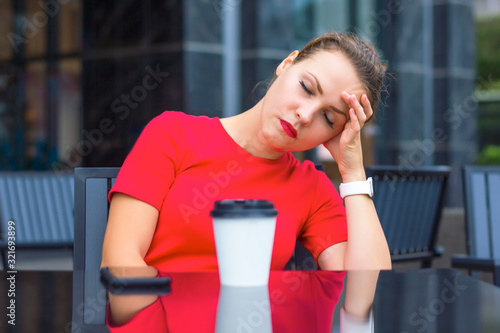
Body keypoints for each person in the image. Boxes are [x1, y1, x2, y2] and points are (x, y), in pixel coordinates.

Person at [101, 31, 392, 329]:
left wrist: (353, 173)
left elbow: (363, 292)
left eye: (329, 119)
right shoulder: (173, 135)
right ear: (287, 64)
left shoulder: (311, 187)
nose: (305, 115)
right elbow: (122, 263)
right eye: (306, 88)